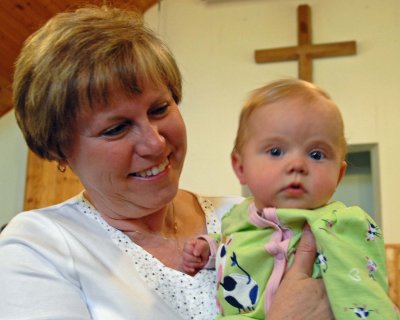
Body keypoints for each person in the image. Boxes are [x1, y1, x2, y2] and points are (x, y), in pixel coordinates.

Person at [0, 6, 333, 320]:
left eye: (160, 109)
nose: (155, 142)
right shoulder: (39, 246)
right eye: (116, 128)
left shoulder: (249, 217)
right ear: (60, 149)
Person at [182, 79, 399, 319]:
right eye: (276, 151)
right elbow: (233, 243)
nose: (297, 165)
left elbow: (365, 293)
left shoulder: (341, 224)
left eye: (317, 154)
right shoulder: (238, 217)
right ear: (241, 167)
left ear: (338, 175)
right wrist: (210, 248)